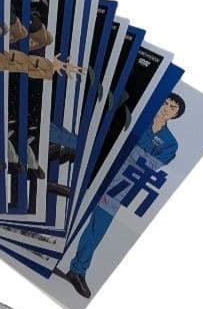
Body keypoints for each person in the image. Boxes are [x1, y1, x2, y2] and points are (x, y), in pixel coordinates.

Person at [64, 93, 185, 298]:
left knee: (97, 229)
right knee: (67, 204)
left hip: (120, 186)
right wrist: (135, 153)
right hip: (99, 167)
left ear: (176, 115)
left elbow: (151, 165)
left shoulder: (170, 142)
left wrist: (129, 150)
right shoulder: (138, 118)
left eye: (172, 107)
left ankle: (77, 271)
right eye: (165, 102)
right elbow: (114, 139)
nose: (166, 108)